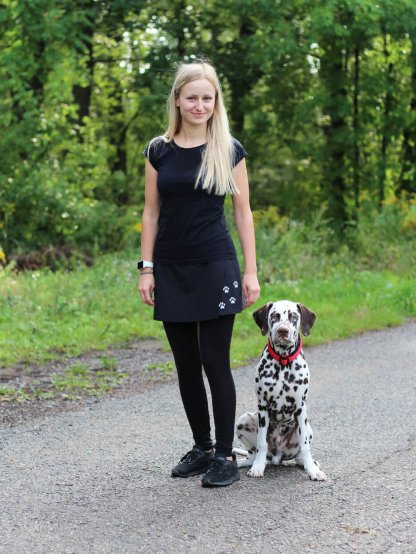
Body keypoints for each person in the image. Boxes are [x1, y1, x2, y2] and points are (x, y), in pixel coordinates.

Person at [138, 59, 260, 487]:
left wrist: (251, 272)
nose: (199, 105)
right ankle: (202, 446)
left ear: (215, 101)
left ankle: (226, 455)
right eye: (192, 97)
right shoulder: (158, 150)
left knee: (214, 362)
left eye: (207, 98)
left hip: (215, 266)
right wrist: (146, 269)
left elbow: (243, 215)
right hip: (170, 268)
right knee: (186, 365)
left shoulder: (228, 149)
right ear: (177, 99)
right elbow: (151, 214)